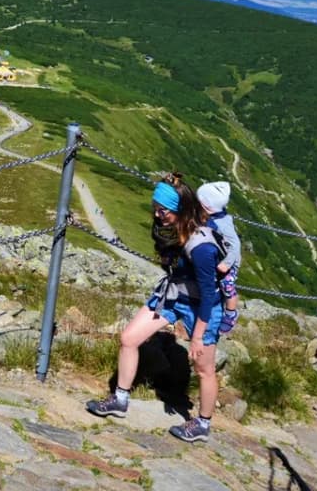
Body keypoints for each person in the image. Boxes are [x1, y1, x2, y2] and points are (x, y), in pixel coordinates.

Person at [85, 173, 224, 443]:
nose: (158, 215)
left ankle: (203, 425)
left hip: (202, 308)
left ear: (181, 209)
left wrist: (197, 335)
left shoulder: (202, 248)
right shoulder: (172, 232)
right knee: (129, 338)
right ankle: (120, 399)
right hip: (172, 296)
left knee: (204, 368)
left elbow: (209, 294)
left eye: (164, 211)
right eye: (156, 208)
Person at [197, 181, 242, 334]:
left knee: (227, 285)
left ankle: (230, 314)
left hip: (229, 261)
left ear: (208, 207)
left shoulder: (223, 224)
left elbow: (235, 245)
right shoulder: (213, 215)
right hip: (218, 255)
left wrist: (227, 264)